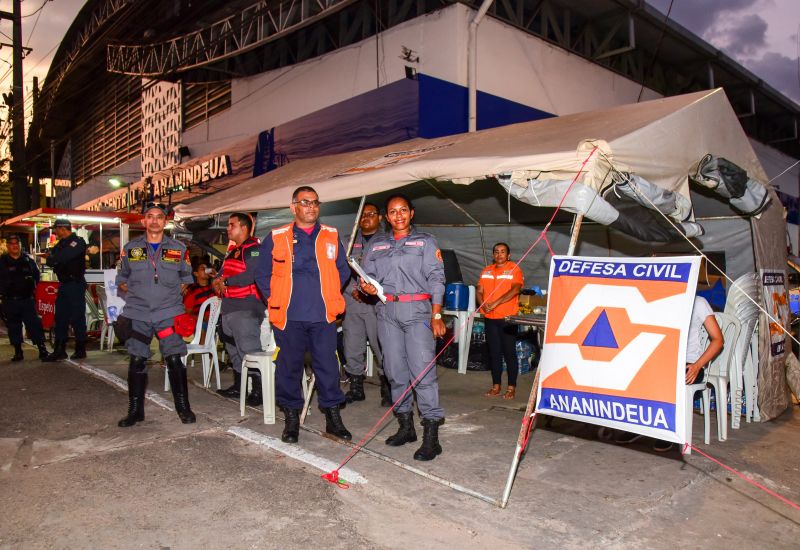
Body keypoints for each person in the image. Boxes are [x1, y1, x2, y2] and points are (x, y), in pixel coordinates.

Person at [255, 186, 352, 444]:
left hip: (323, 316)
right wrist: (275, 299)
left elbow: (343, 270)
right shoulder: (276, 236)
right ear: (293, 207)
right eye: (305, 202)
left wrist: (330, 294)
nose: (311, 207)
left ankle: (333, 419)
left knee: (328, 367)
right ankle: (291, 420)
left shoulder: (331, 235)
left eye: (315, 202)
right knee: (288, 368)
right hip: (288, 316)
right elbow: (262, 275)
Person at [360, 194, 447, 461]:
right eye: (392, 212)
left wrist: (436, 314)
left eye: (403, 210)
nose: (398, 215)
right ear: (386, 217)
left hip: (418, 311)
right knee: (395, 371)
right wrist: (366, 287)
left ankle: (431, 435)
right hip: (386, 311)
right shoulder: (376, 245)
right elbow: (367, 277)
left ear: (411, 213)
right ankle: (405, 426)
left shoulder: (425, 242)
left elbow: (436, 278)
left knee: (422, 372)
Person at [116, 203, 197, 427]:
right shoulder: (130, 248)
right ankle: (135, 411)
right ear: (143, 221)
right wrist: (136, 295)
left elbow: (186, 279)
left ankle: (183, 408)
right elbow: (121, 280)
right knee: (137, 359)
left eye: (159, 217)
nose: (154, 221)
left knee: (174, 359)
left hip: (168, 313)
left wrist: (168, 297)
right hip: (138, 313)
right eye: (149, 217)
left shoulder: (179, 248)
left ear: (165, 221)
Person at [616, 294, 723, 451]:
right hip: (662, 360)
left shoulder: (698, 302)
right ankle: (638, 427)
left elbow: (718, 340)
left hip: (689, 363)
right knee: (630, 371)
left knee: (664, 379)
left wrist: (697, 365)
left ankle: (666, 431)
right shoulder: (664, 297)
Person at [213, 213, 265, 405]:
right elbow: (220, 275)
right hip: (229, 308)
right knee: (234, 351)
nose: (227, 228)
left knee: (249, 350)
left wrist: (225, 281)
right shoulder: (233, 251)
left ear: (243, 228)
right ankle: (239, 386)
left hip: (246, 308)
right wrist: (217, 281)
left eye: (231, 225)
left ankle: (259, 392)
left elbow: (252, 275)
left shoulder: (255, 249)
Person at [342, 202, 391, 406]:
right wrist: (352, 290)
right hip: (353, 301)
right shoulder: (348, 241)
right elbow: (340, 271)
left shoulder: (388, 241)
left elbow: (390, 273)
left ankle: (388, 388)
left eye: (371, 214)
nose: (366, 218)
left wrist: (372, 291)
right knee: (352, 345)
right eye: (362, 214)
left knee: (383, 346)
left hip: (376, 304)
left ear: (380, 218)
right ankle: (356, 386)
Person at [477, 242, 524, 400]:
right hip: (490, 318)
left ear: (508, 255)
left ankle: (511, 387)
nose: (499, 254)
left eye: (503, 252)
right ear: (493, 255)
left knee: (509, 353)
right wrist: (482, 304)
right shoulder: (486, 271)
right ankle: (496, 385)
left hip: (507, 319)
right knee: (494, 353)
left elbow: (516, 289)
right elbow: (479, 290)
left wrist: (496, 303)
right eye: (496, 252)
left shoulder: (514, 269)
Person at [43, 219, 88, 361]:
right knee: (60, 317)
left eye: (56, 229)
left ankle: (80, 349)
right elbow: (51, 259)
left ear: (63, 228)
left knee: (77, 318)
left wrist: (53, 258)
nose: (54, 232)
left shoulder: (78, 241)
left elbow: (61, 258)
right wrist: (53, 258)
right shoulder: (60, 243)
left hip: (75, 284)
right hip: (63, 284)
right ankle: (59, 350)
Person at [0, 235, 49, 361]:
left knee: (34, 324)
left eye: (17, 243)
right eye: (11, 243)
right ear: (7, 246)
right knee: (13, 327)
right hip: (10, 300)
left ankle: (42, 348)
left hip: (27, 299)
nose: (15, 246)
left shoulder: (28, 260)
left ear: (20, 245)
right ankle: (18, 352)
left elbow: (36, 276)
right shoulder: (2, 261)